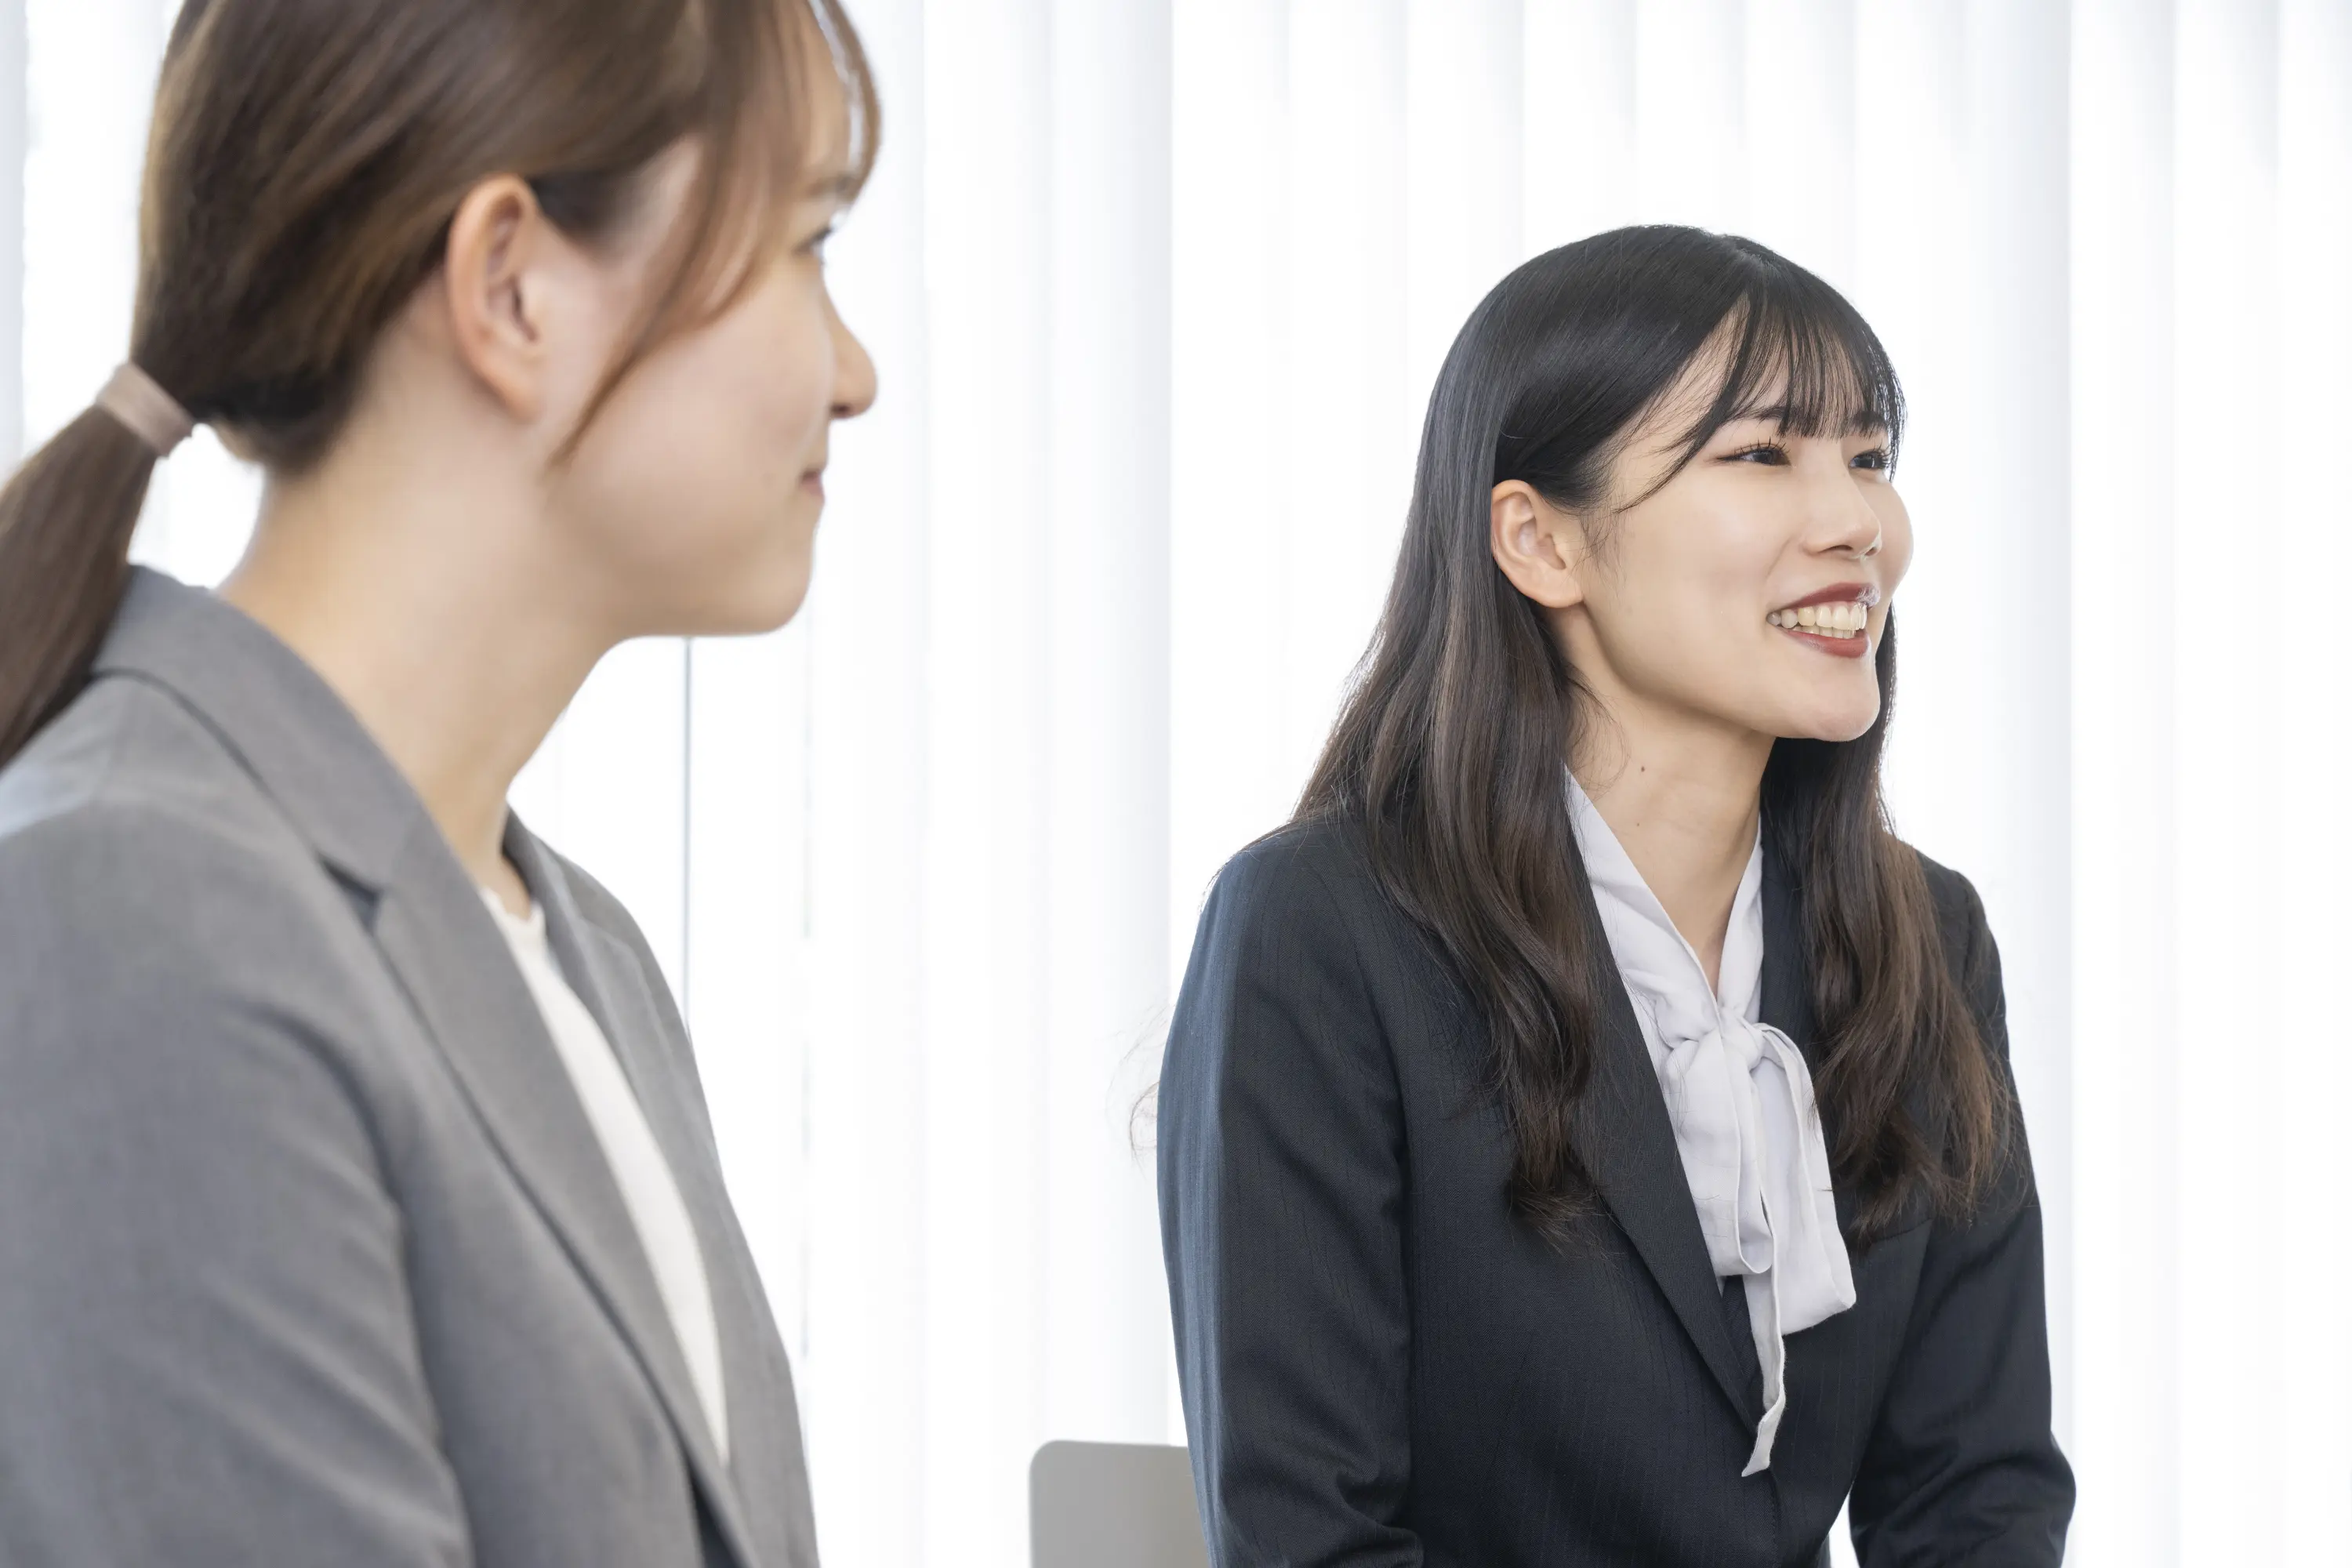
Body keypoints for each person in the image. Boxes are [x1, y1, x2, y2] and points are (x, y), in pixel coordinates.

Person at [0, 1, 876, 1563]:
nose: (858, 372)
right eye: (807, 242)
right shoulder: (131, 908)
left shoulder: (586, 951)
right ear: (512, 288)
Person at [1157, 226, 2074, 1566]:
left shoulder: (1926, 940)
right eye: (1762, 455)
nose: (1858, 524)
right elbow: (1313, 1537)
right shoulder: (1321, 934)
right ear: (1540, 542)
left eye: (1869, 458)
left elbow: (1975, 1503)